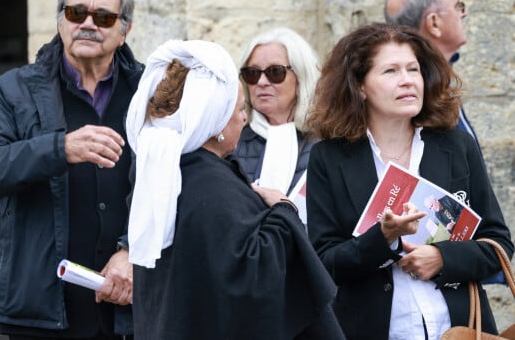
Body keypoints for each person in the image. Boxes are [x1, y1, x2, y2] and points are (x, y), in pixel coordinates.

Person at [0, 0, 143, 339]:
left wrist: (131, 251)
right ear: (61, 21)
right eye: (77, 13)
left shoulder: (149, 94)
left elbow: (175, 184)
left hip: (128, 308)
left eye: (104, 17)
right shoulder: (14, 90)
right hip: (41, 311)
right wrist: (58, 148)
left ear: (125, 30)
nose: (88, 24)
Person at [124, 39, 344, 340]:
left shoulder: (165, 173)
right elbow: (253, 279)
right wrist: (283, 210)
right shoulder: (211, 184)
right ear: (214, 121)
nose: (244, 117)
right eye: (239, 109)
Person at [305, 22, 513, 339]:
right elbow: (325, 263)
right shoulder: (329, 159)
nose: (407, 81)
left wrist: (444, 258)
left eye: (413, 69)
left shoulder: (456, 147)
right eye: (390, 71)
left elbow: (499, 243)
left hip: (460, 328)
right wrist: (383, 238)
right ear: (360, 86)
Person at [384, 0, 482, 151]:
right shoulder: (413, 95)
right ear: (434, 23)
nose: (463, 14)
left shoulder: (437, 79)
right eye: (458, 6)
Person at [231, 27, 320, 197]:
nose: (262, 82)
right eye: (252, 73)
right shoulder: (232, 142)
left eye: (275, 72)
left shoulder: (327, 142)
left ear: (301, 77)